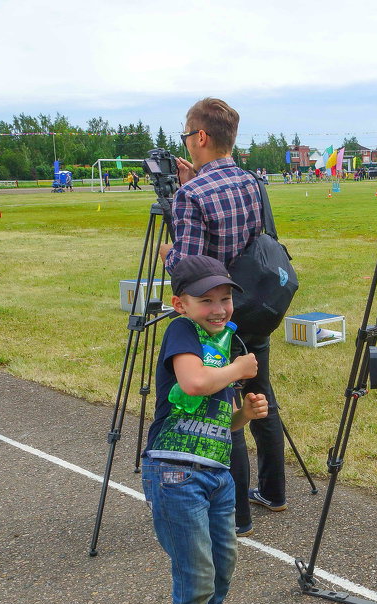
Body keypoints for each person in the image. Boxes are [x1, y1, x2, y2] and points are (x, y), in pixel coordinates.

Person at [142, 255, 269, 604]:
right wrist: (239, 370)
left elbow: (219, 421)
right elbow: (194, 384)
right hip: (174, 471)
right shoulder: (181, 332)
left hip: (215, 472)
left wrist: (244, 416)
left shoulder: (223, 343)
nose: (218, 308)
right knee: (195, 572)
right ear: (180, 304)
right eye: (206, 301)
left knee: (221, 564)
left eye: (225, 298)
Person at [159, 97, 286, 536]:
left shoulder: (191, 195)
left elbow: (188, 269)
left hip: (214, 316)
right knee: (258, 396)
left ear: (200, 137)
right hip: (254, 306)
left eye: (186, 137)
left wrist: (166, 253)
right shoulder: (253, 181)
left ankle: (237, 515)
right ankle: (274, 490)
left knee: (222, 407)